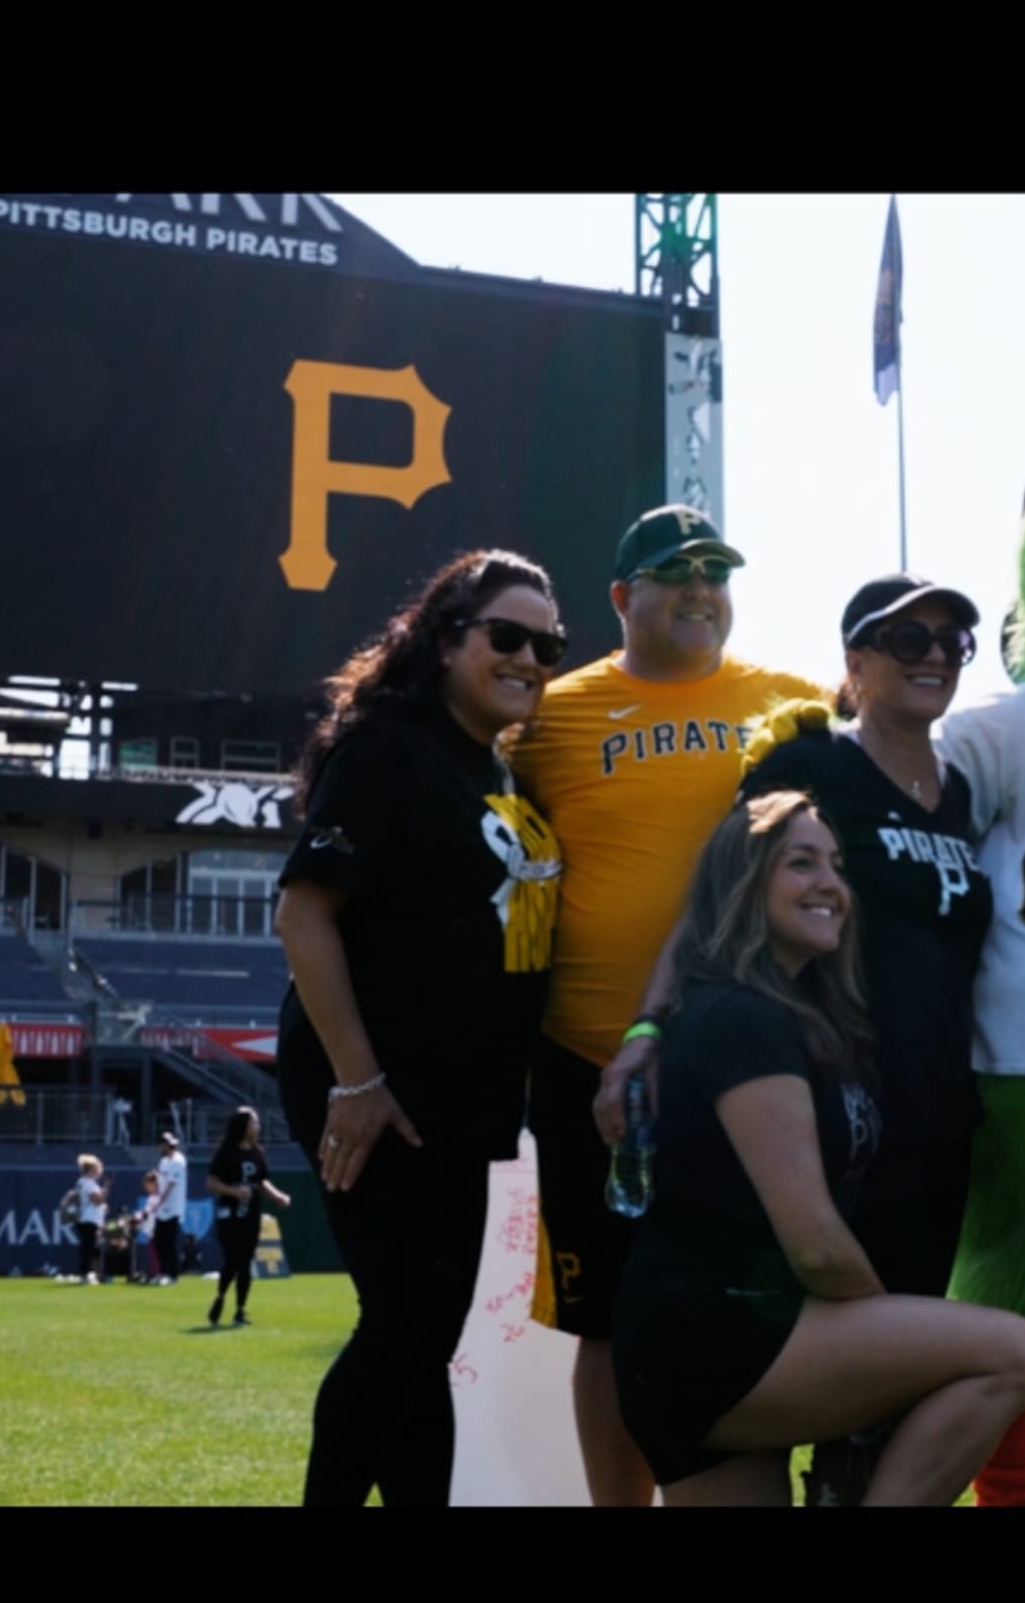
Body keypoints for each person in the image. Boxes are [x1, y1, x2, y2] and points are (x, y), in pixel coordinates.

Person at [512, 505, 825, 1506]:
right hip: (589, 1065)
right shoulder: (551, 715)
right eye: (673, 571)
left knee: (761, 1298)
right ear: (621, 597)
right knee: (606, 1325)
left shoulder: (795, 703)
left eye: (714, 572)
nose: (699, 589)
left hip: (748, 1068)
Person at [609, 791, 1025, 1505]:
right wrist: (888, 1339)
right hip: (715, 1339)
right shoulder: (742, 1019)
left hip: (704, 1347)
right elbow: (812, 1242)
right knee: (1010, 1352)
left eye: (837, 866)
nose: (830, 885)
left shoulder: (797, 1014)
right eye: (799, 863)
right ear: (743, 885)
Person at [279, 549, 567, 1508]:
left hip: (471, 1101)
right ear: (446, 642)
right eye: (508, 636)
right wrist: (357, 1084)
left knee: (437, 1334)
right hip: (378, 1087)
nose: (531, 657)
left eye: (549, 645)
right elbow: (304, 913)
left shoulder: (503, 770)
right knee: (408, 1320)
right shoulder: (387, 748)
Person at [739, 575, 994, 1505]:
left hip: (940, 1119)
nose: (933, 655)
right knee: (832, 1356)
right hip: (834, 1107)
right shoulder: (811, 765)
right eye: (907, 639)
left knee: (900, 1383)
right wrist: (652, 1029)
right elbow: (722, 906)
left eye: (951, 642)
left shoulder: (963, 790)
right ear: (854, 662)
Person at [205, 1107, 294, 1328]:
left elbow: (262, 1181)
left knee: (245, 1261)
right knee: (233, 1258)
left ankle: (240, 1310)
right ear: (243, 1125)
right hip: (229, 1213)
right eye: (254, 1122)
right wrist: (234, 1192)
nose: (258, 1126)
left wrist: (277, 1196)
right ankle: (221, 1296)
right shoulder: (226, 1153)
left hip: (251, 1213)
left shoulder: (257, 1153)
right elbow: (212, 1182)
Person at [58, 1154, 107, 1285]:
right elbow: (98, 1200)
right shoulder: (89, 1183)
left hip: (84, 1219)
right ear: (92, 1170)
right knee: (89, 1248)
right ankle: (86, 1274)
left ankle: (88, 1272)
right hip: (89, 1220)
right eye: (98, 1169)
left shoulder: (81, 1182)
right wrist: (106, 1188)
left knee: (88, 1247)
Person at [152, 1133, 189, 1286]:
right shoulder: (163, 1161)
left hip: (173, 1207)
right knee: (159, 1241)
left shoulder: (178, 1161)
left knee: (170, 1242)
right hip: (162, 1209)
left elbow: (170, 1185)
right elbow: (161, 1183)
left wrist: (158, 1202)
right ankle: (161, 1272)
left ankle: (172, 1274)